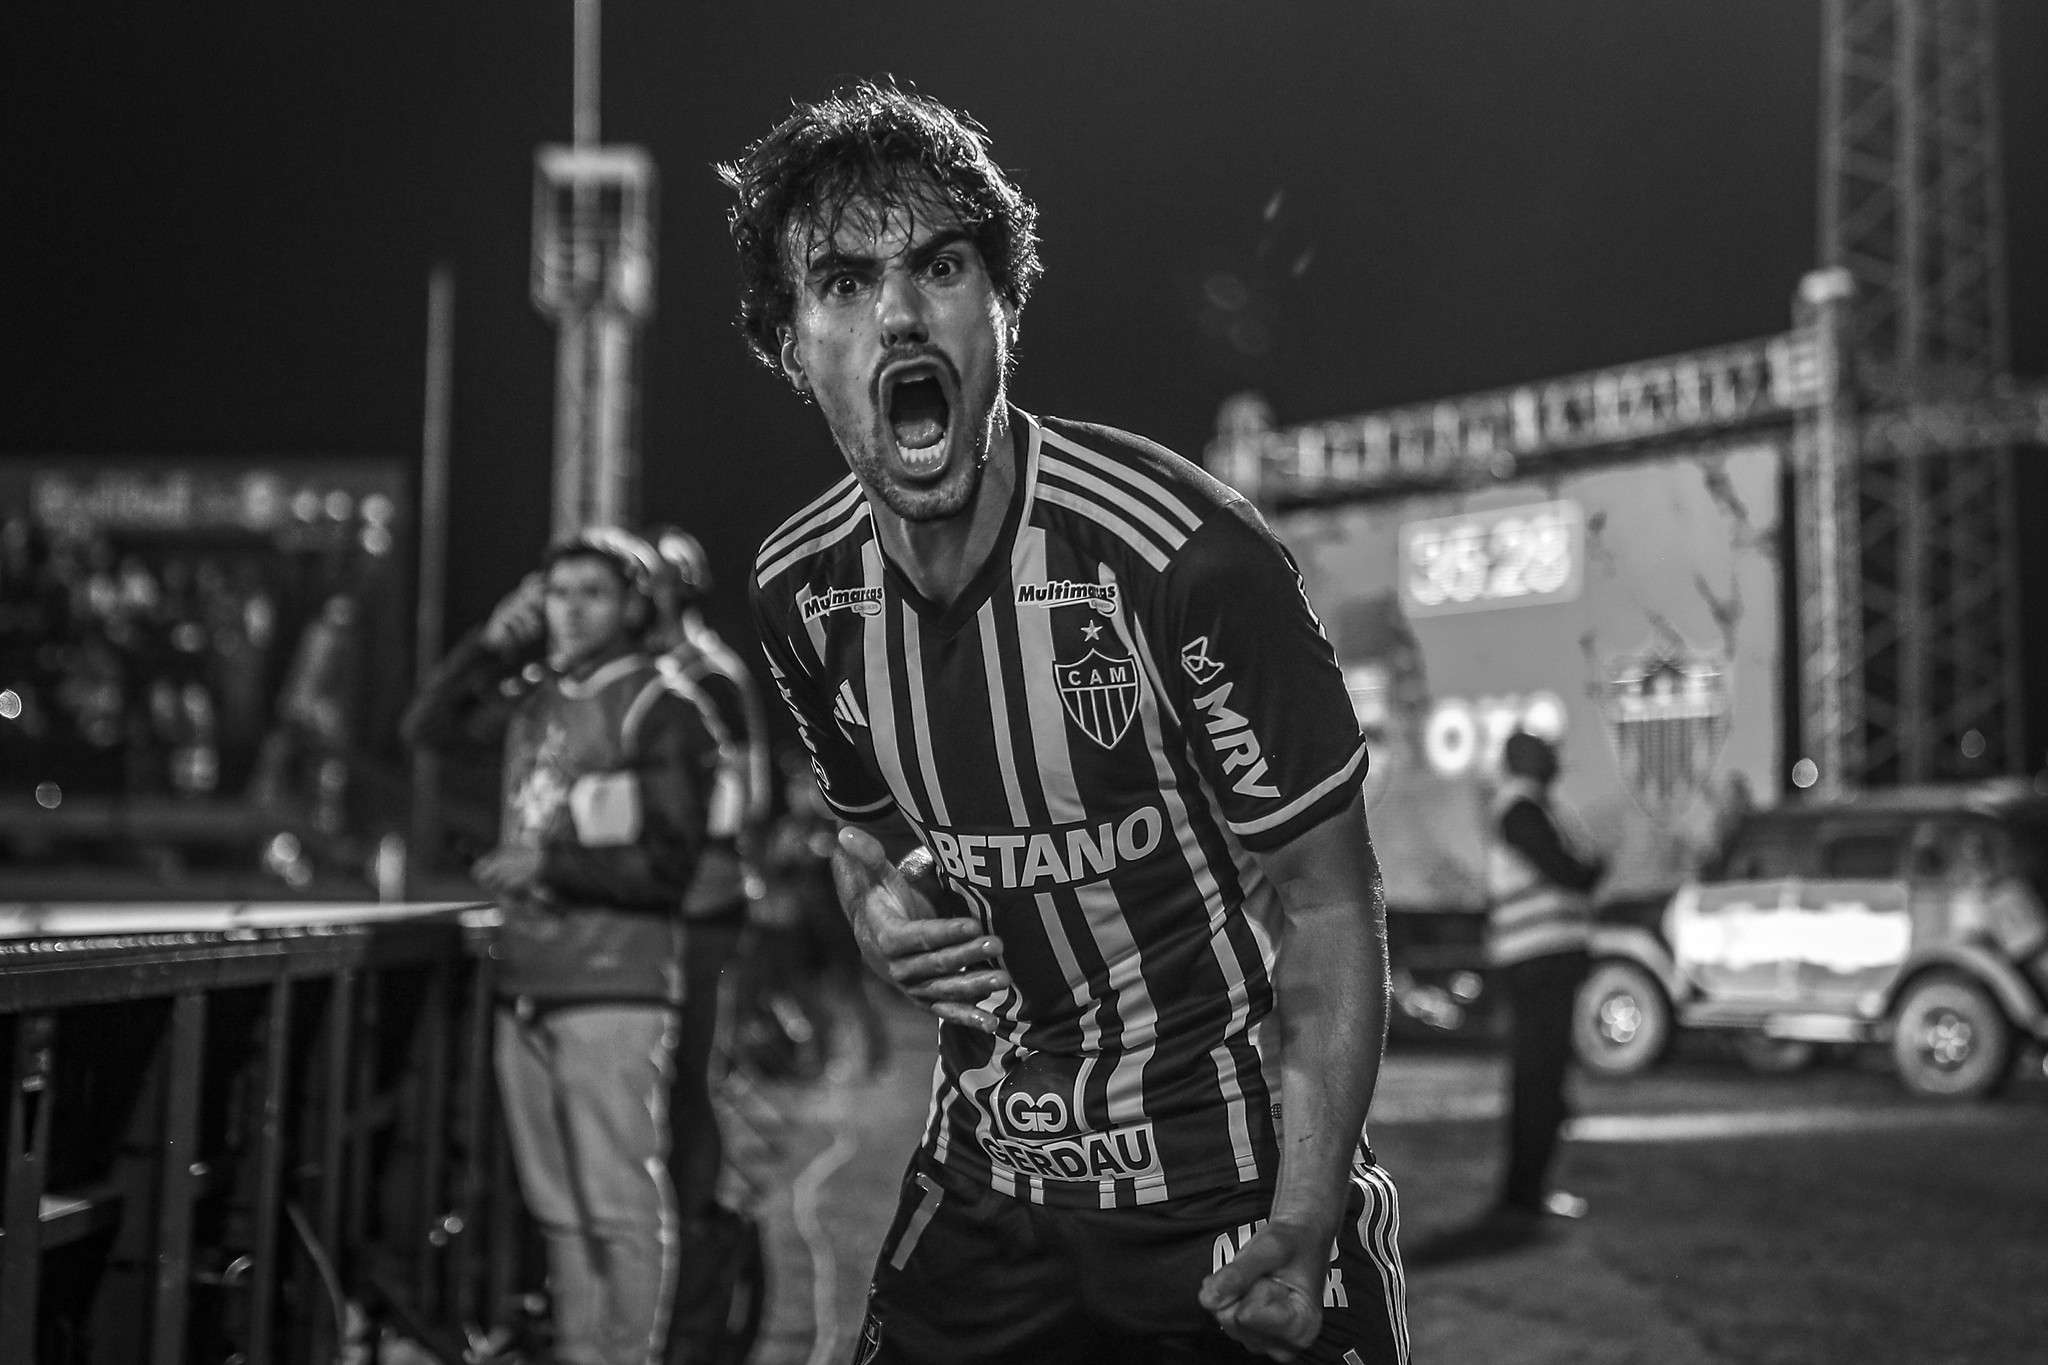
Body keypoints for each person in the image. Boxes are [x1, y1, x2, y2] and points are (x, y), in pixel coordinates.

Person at [723, 82, 1408, 1364]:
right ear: (791, 343)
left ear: (1001, 310)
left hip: (1227, 1194)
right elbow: (866, 841)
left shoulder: (1182, 558)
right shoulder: (798, 594)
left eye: (940, 265)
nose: (900, 315)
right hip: (991, 1185)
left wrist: (1306, 1213)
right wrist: (872, 911)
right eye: (844, 283)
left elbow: (1326, 902)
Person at [402, 528, 719, 1365]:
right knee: (561, 1214)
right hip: (529, 982)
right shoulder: (537, 694)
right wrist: (487, 642)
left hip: (617, 989)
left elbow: (668, 865)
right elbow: (428, 727)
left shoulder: (665, 706)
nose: (568, 610)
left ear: (634, 605)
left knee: (618, 1208)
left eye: (591, 592)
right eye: (556, 591)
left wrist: (550, 861)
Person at [641, 525, 774, 1363]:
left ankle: (696, 1230)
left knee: (688, 1075)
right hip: (661, 903)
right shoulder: (646, 678)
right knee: (669, 1080)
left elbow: (746, 795)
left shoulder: (711, 677)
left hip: (701, 903)